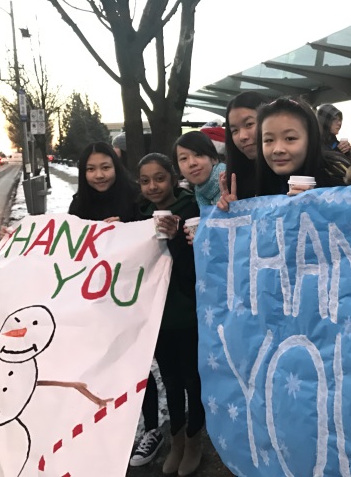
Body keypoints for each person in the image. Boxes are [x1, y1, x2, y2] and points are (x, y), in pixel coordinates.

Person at [136, 153, 204, 476]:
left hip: (188, 314)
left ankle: (195, 440)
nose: (153, 186)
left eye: (160, 178)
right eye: (145, 181)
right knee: (171, 381)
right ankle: (176, 438)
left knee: (193, 379)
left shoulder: (191, 209)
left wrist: (177, 238)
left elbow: (194, 268)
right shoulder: (138, 216)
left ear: (173, 178)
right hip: (158, 318)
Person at [254, 97, 346, 196]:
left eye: (290, 138)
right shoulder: (261, 182)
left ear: (311, 139)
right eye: (269, 140)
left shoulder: (339, 178)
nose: (278, 150)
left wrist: (316, 200)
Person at [218, 91, 271, 208]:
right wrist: (233, 209)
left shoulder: (292, 172)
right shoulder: (235, 179)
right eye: (235, 130)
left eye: (249, 124)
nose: (242, 137)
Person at [68, 141, 141, 222]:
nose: (99, 175)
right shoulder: (78, 204)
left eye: (105, 167)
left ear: (116, 168)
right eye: (91, 169)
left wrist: (125, 223)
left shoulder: (139, 199)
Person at [173, 131, 226, 207]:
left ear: (214, 158)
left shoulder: (230, 179)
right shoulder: (199, 193)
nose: (192, 163)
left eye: (198, 154)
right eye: (184, 158)